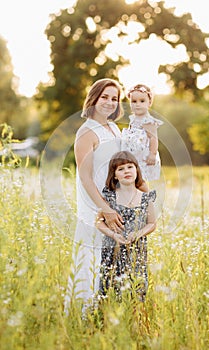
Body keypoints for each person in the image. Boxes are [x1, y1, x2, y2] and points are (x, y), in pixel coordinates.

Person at [64, 78, 125, 314]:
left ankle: (105, 311)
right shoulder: (86, 131)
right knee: (90, 257)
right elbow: (85, 177)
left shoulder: (113, 128)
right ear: (94, 98)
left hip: (114, 201)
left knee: (110, 259)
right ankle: (81, 314)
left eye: (114, 98)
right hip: (95, 204)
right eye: (105, 97)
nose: (110, 103)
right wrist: (104, 209)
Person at [96, 151, 156, 301]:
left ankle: (134, 322)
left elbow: (152, 223)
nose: (126, 171)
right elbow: (98, 222)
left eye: (130, 167)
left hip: (136, 251)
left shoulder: (145, 197)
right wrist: (114, 235)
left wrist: (138, 233)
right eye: (120, 169)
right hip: (112, 250)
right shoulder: (110, 196)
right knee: (110, 288)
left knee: (136, 290)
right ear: (115, 175)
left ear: (137, 170)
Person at [121, 83, 163, 183]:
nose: (137, 104)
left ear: (149, 103)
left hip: (143, 157)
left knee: (141, 179)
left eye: (142, 101)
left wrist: (152, 154)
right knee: (132, 178)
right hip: (133, 156)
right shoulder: (133, 119)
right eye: (134, 101)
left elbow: (153, 138)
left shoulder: (148, 121)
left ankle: (142, 196)